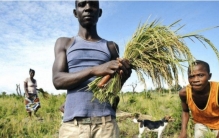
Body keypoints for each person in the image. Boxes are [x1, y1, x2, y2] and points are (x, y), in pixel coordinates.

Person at [52, 0, 132, 138]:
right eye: (82, 5)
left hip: (106, 126)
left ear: (99, 12)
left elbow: (111, 90)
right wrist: (93, 70)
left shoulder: (111, 46)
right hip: (73, 127)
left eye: (93, 5)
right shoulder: (65, 43)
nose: (88, 8)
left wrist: (124, 76)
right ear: (75, 13)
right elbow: (58, 80)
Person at [179, 60, 219, 138]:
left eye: (200, 75)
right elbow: (185, 111)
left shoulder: (217, 90)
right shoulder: (184, 93)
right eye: (191, 76)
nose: (195, 80)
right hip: (201, 123)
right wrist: (183, 132)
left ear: (209, 76)